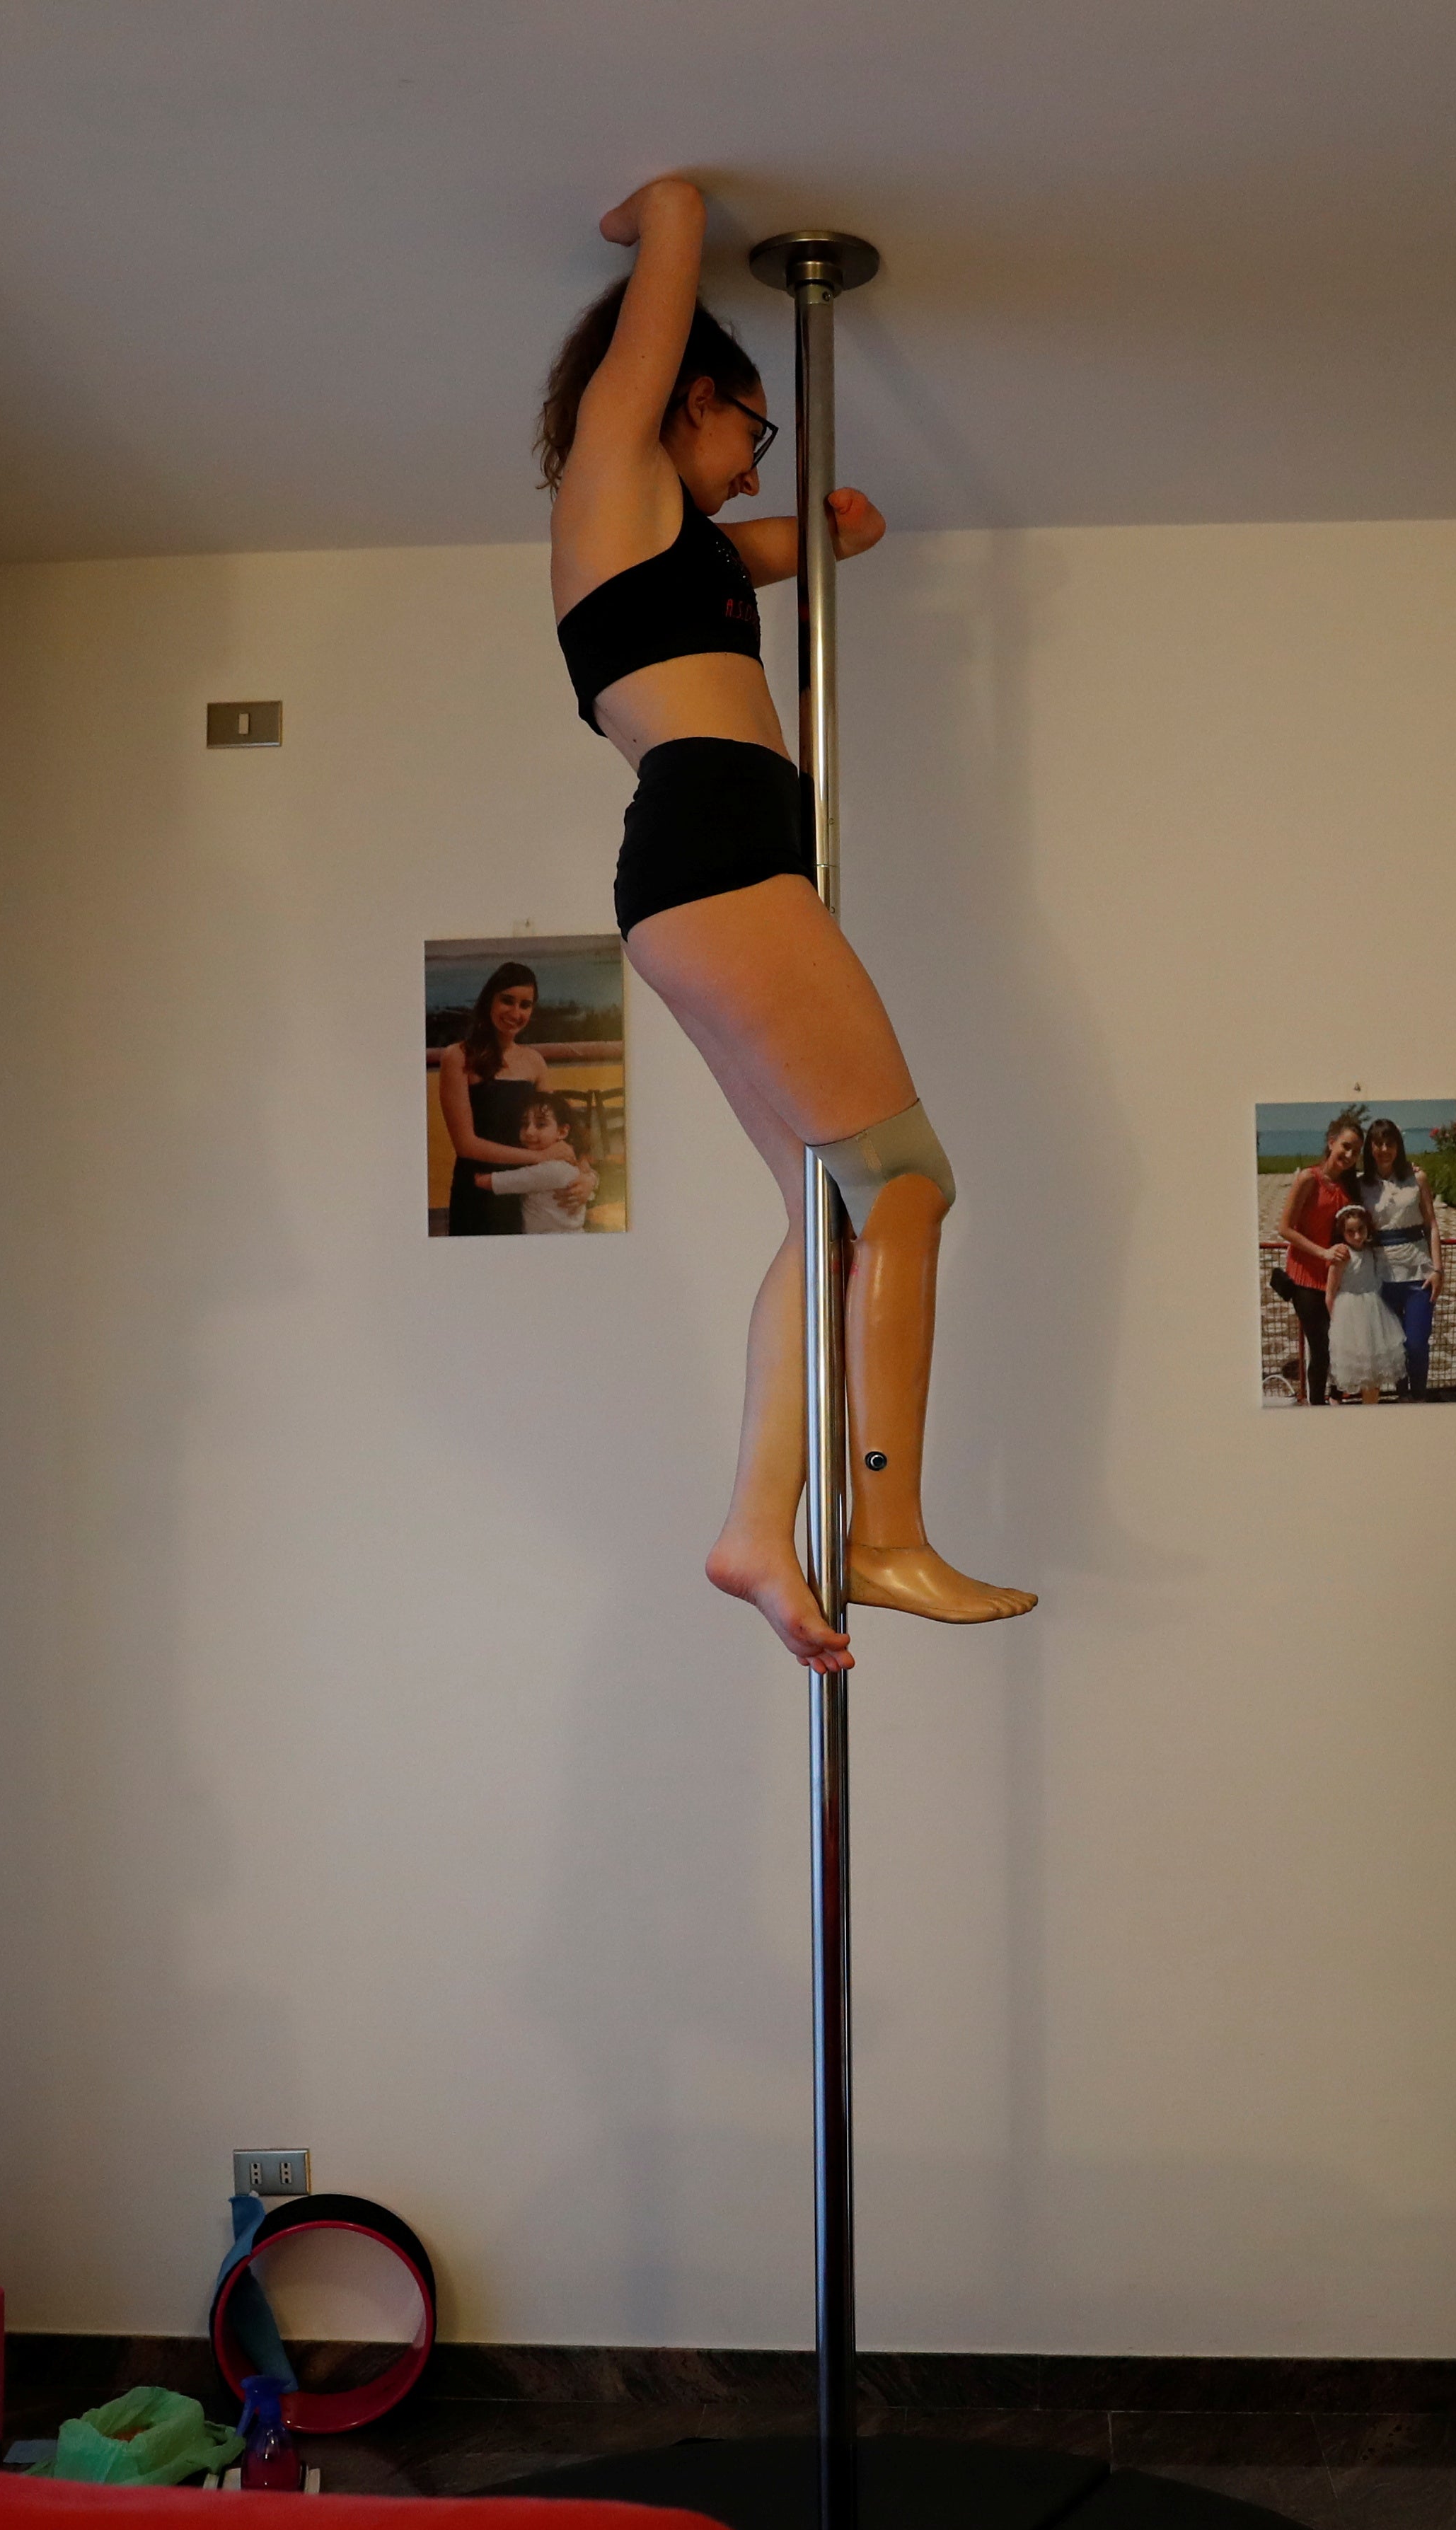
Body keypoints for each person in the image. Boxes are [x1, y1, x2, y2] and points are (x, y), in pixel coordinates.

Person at [543, 174, 1033, 1669]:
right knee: (906, 1185)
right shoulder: (612, 478)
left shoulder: (670, 548)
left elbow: (771, 553)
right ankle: (884, 1534)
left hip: (715, 859)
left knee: (831, 1213)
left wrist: (827, 531)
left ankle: (761, 1526)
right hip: (717, 846)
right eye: (747, 430)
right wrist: (677, 217)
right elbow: (657, 313)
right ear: (689, 398)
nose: (750, 467)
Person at [435, 961, 554, 1237]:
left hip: (527, 1190)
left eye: (525, 1005)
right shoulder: (457, 1056)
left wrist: (586, 1177)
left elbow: (556, 1128)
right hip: (478, 1189)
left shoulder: (535, 1061)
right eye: (507, 1001)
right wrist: (539, 1158)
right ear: (490, 1000)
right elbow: (466, 1145)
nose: (516, 1013)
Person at [1271, 1113, 1365, 1404]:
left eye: (1356, 1151)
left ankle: (1338, 1396)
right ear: (1332, 1142)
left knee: (1342, 1343)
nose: (1349, 1155)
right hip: (1305, 1277)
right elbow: (1284, 1228)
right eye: (1345, 1147)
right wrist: (1322, 1252)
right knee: (1321, 1347)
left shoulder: (1350, 1186)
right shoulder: (1308, 1179)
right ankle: (1317, 1406)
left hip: (1336, 1279)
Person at [1359, 1116, 1442, 1399]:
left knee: (1417, 1343)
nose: (1384, 1149)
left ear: (1398, 1146)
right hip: (1380, 1276)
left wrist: (1438, 1269)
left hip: (1419, 1273)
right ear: (1370, 1148)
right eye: (1378, 1143)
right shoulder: (1361, 1186)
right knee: (1393, 1347)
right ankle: (1403, 1397)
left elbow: (1431, 1224)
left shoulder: (1416, 1178)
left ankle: (1418, 1397)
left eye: (1390, 1143)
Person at [483, 1094, 599, 1233]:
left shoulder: (550, 1169)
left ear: (562, 1131)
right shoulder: (568, 1158)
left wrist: (475, 1178)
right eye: (525, 1124)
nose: (529, 1132)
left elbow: (494, 1182)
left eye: (541, 1125)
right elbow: (589, 1173)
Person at [1325, 1204, 1402, 1402]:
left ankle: (1371, 1406)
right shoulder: (1342, 1255)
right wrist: (1336, 1321)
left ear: (1367, 1228)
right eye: (1350, 1232)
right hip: (1348, 1312)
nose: (1357, 1236)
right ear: (1342, 1233)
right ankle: (1335, 1401)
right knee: (1350, 1364)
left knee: (1374, 1365)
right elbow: (1330, 1292)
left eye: (1361, 1230)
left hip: (1373, 1310)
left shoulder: (1371, 1250)